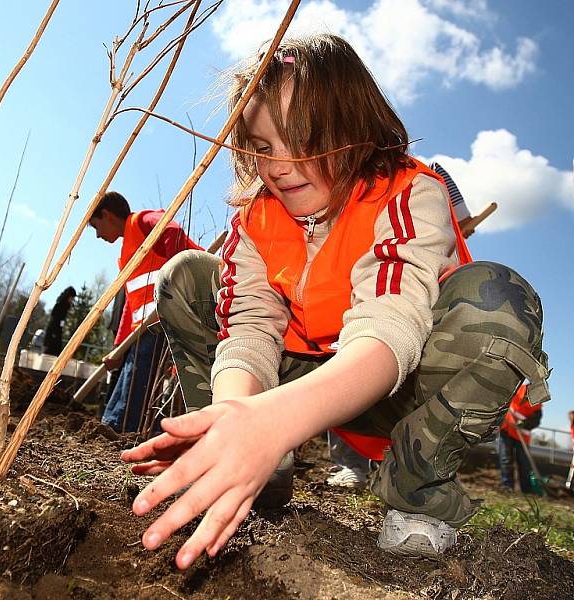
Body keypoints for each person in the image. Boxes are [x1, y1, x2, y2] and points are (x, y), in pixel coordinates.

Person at [120, 34, 549, 569]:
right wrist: (241, 419)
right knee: (185, 277)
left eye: (304, 138)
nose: (278, 166)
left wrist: (276, 420)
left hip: (395, 386)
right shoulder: (256, 220)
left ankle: (416, 488)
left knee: (498, 302)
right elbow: (249, 328)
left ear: (356, 126)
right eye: (261, 145)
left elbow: (388, 328)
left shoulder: (409, 194)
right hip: (291, 379)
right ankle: (249, 463)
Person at [325, 161, 475, 490]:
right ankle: (351, 463)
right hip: (376, 286)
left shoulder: (428, 175)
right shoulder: (366, 180)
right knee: (347, 361)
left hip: (430, 279)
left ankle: (419, 475)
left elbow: (465, 222)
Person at [88, 191, 201, 433]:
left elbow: (172, 231)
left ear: (107, 215)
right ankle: (113, 425)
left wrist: (173, 288)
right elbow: (132, 303)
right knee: (132, 367)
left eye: (96, 227)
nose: (97, 235)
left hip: (165, 316)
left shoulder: (141, 222)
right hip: (147, 325)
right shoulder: (128, 251)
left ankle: (119, 428)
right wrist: (118, 348)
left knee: (138, 369)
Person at [498, 384, 542, 494]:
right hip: (507, 429)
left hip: (522, 435)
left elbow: (536, 420)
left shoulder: (537, 402)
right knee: (505, 459)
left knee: (523, 463)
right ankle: (507, 487)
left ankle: (526, 490)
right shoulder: (516, 389)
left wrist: (525, 423)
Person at [42, 286, 76, 356]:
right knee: (51, 349)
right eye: (71, 298)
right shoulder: (59, 305)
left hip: (58, 331)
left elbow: (62, 320)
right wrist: (55, 331)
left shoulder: (67, 306)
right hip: (53, 330)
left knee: (57, 350)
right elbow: (54, 318)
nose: (72, 300)